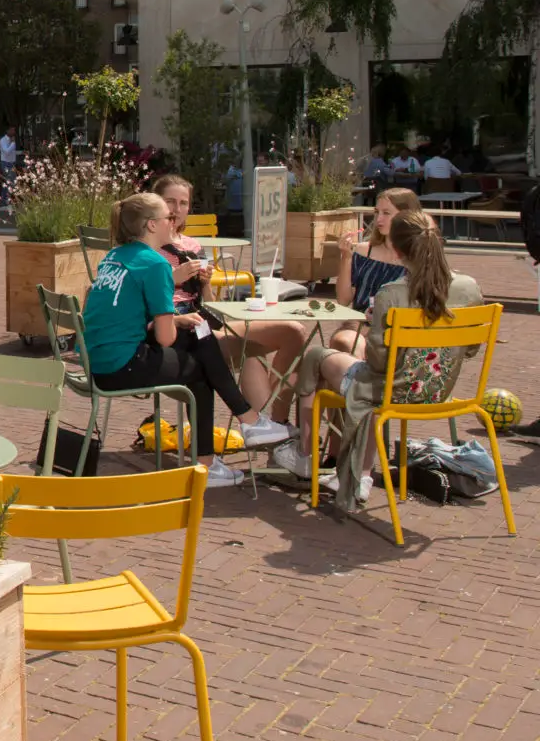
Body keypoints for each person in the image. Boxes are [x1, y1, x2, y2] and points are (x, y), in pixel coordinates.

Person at [82, 193, 288, 488]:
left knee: (198, 333)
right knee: (201, 364)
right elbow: (166, 339)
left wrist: (177, 321)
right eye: (168, 216)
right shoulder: (155, 265)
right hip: (120, 365)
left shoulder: (114, 256)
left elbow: (124, 316)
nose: (174, 221)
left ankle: (243, 426)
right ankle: (233, 437)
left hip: (97, 361)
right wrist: (175, 325)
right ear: (152, 225)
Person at [286, 209, 482, 508]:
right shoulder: (468, 287)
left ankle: (306, 455)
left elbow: (377, 364)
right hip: (438, 390)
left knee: (317, 357)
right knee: (351, 370)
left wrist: (374, 320)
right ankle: (356, 470)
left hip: (389, 391)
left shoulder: (393, 293)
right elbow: (470, 348)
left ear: (399, 249)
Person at [152, 174, 306, 426]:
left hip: (205, 321)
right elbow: (146, 297)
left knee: (293, 331)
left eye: (183, 203)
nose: (176, 209)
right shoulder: (147, 246)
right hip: (178, 328)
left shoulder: (191, 245)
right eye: (170, 201)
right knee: (252, 353)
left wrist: (205, 283)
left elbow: (208, 303)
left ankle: (274, 421)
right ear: (156, 202)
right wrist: (175, 278)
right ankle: (272, 430)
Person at [329, 188, 418, 360]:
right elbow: (343, 299)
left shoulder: (417, 258)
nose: (379, 219)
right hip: (360, 323)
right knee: (346, 343)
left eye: (387, 213)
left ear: (407, 216)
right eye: (377, 212)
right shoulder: (364, 251)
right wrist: (346, 257)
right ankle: (354, 382)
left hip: (398, 328)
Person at [0, 125, 19, 218]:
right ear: (7, 130)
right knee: (8, 183)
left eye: (14, 130)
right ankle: (4, 204)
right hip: (6, 163)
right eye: (12, 130)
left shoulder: (11, 140)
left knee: (10, 183)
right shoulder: (3, 140)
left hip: (11, 163)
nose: (14, 132)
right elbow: (6, 151)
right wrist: (13, 143)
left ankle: (7, 203)